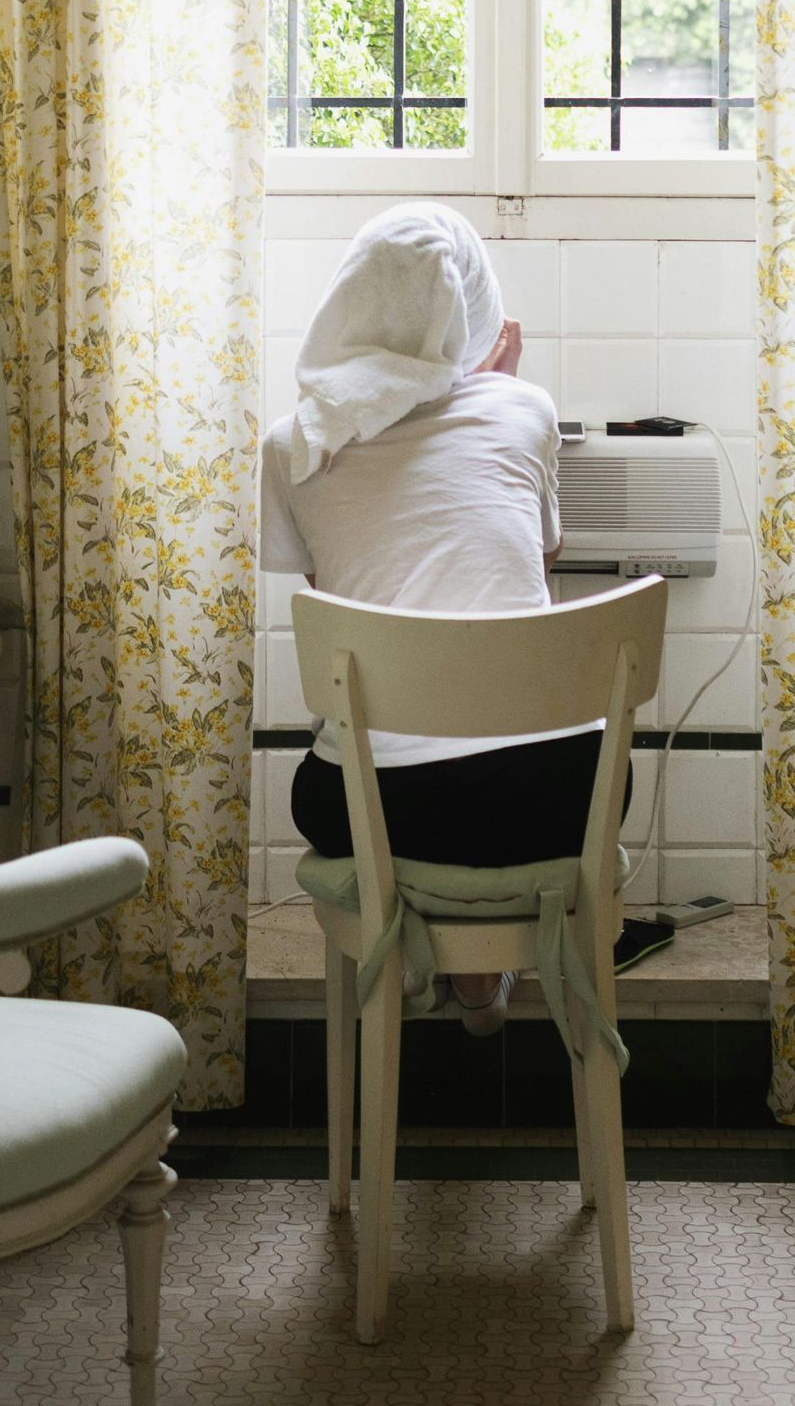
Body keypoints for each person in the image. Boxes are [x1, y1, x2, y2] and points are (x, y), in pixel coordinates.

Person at [259, 202, 620, 1037]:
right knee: (491, 751)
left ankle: (426, 954)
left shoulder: (293, 446)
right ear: (477, 318)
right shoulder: (525, 409)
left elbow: (338, 592)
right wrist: (502, 381)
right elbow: (539, 560)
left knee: (366, 765)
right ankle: (478, 971)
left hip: (372, 807)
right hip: (554, 797)